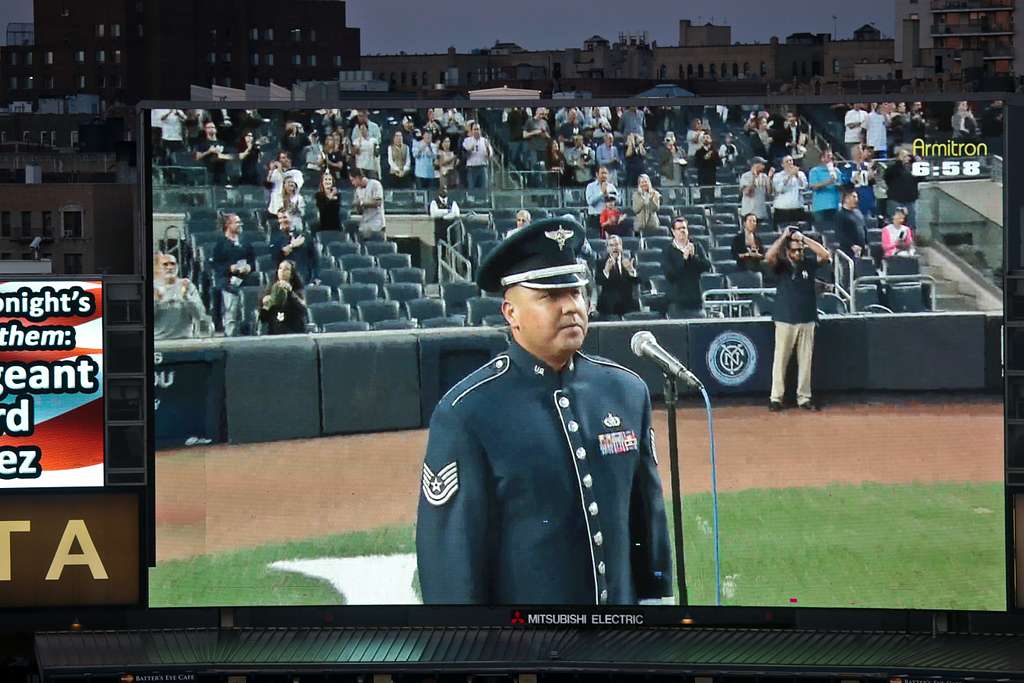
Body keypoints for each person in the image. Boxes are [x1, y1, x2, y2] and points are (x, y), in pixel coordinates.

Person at [416, 216, 673, 605]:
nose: (571, 306)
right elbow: (451, 565)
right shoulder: (467, 412)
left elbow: (648, 524)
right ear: (510, 313)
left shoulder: (625, 392)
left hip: (620, 649)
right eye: (550, 297)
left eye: (576, 292)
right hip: (527, 653)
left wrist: (656, 619)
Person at [765, 226, 831, 412]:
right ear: (788, 251)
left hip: (807, 318)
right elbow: (768, 257)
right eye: (794, 250)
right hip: (785, 318)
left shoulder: (808, 263)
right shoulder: (782, 266)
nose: (798, 253)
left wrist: (805, 240)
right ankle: (776, 397)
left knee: (805, 361)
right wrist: (783, 236)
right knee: (781, 360)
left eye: (800, 250)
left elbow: (825, 255)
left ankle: (804, 398)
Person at [210, 213, 255, 337]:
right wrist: (230, 268)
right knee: (231, 313)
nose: (240, 224)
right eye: (237, 222)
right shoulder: (220, 243)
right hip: (228, 282)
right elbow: (215, 265)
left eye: (240, 222)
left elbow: (252, 260)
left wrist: (249, 267)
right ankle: (230, 337)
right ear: (228, 225)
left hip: (246, 281)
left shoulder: (245, 241)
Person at [660, 217, 711, 319]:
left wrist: (694, 257)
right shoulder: (668, 250)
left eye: (684, 228)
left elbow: (706, 266)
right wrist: (684, 259)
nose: (682, 231)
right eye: (679, 229)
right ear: (673, 232)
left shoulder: (696, 246)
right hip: (677, 302)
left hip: (695, 300)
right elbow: (670, 275)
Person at [153, 252, 209, 340]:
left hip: (184, 339)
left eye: (172, 264)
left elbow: (199, 315)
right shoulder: (153, 287)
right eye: (165, 264)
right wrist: (155, 301)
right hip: (158, 339)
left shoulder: (187, 285)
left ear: (177, 267)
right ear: (158, 268)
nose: (170, 267)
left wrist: (186, 297)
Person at [595, 234, 640, 317]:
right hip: (609, 303)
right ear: (607, 248)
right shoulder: (601, 262)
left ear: (621, 246)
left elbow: (637, 282)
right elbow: (598, 281)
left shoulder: (629, 261)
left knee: (635, 304)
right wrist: (606, 270)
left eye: (617, 245)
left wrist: (631, 271)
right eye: (611, 245)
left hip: (627, 302)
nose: (614, 248)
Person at [259, 259, 308, 335]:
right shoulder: (270, 290)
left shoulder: (297, 291)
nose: (282, 271)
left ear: (292, 274)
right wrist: (265, 305)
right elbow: (263, 319)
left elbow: (303, 310)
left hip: (294, 332)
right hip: (274, 332)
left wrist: (290, 293)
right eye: (280, 268)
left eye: (286, 269)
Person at [270, 210, 318, 284]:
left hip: (304, 277)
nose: (282, 220)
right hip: (284, 278)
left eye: (284, 217)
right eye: (279, 218)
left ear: (292, 218)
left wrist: (315, 278)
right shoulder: (275, 237)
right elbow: (275, 257)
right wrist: (292, 245)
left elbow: (314, 260)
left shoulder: (305, 236)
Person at [884, 147, 921, 229]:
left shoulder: (913, 168)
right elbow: (888, 177)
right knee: (895, 225)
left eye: (907, 156)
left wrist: (918, 164)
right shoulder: (892, 168)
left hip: (910, 201)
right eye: (903, 156)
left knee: (911, 225)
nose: (906, 158)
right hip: (895, 200)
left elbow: (921, 178)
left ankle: (910, 241)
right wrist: (899, 162)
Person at [808, 149, 841, 232]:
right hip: (820, 208)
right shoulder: (815, 171)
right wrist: (828, 182)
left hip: (835, 206)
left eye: (832, 156)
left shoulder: (836, 171)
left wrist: (839, 185)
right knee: (822, 232)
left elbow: (840, 186)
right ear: (822, 158)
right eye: (828, 156)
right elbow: (813, 187)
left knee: (836, 232)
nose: (831, 158)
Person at [349, 168, 385, 241]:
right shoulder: (357, 190)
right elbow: (360, 212)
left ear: (358, 178)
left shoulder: (375, 184)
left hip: (377, 225)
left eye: (353, 180)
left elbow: (378, 202)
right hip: (364, 226)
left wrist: (361, 203)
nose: (352, 183)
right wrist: (357, 206)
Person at [771, 155, 808, 226]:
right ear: (782, 164)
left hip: (797, 207)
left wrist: (797, 176)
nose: (789, 163)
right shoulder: (778, 175)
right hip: (781, 208)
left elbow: (804, 187)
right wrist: (789, 176)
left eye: (791, 160)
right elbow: (779, 189)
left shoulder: (800, 174)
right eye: (787, 161)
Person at [193, 120, 232, 186]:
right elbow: (197, 157)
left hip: (221, 173)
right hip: (208, 173)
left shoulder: (222, 143)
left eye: (213, 127)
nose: (211, 129)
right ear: (205, 130)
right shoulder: (202, 143)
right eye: (209, 127)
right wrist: (209, 151)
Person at [835, 187, 869, 261]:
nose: (856, 199)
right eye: (854, 197)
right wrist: (852, 245)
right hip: (848, 250)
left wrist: (866, 242)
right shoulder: (840, 215)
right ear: (846, 199)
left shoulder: (858, 212)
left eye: (856, 197)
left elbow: (864, 228)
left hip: (861, 250)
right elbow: (839, 234)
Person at [739, 156, 773, 222]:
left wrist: (769, 178)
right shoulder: (745, 176)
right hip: (748, 212)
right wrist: (754, 178)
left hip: (761, 212)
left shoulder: (764, 176)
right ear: (755, 165)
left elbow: (769, 192)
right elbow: (747, 193)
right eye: (762, 164)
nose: (764, 166)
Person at [585, 166, 617, 235]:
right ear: (597, 174)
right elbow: (590, 202)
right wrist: (601, 193)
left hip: (609, 218)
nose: (604, 175)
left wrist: (608, 195)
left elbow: (619, 200)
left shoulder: (611, 186)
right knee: (596, 241)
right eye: (602, 173)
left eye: (606, 173)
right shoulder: (590, 186)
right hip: (595, 219)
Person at [462, 121, 492, 191]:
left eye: (477, 129)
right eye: (474, 129)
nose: (476, 131)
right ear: (471, 131)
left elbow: (489, 156)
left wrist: (487, 148)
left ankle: (483, 201)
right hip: (472, 168)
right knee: (471, 189)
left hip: (482, 167)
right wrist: (470, 150)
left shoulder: (485, 141)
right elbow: (464, 155)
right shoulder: (467, 141)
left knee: (483, 188)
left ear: (480, 130)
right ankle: (471, 201)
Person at [429, 186, 461, 252]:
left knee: (454, 251)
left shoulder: (452, 202)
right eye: (442, 189)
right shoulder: (434, 202)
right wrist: (447, 211)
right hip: (440, 232)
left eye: (445, 189)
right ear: (438, 191)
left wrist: (444, 216)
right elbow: (434, 214)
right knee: (439, 252)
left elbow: (456, 213)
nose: (444, 191)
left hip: (451, 232)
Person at [693, 131, 720, 202]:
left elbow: (719, 163)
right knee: (703, 197)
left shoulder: (714, 151)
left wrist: (713, 157)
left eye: (707, 137)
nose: (705, 139)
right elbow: (696, 164)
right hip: (702, 177)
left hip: (711, 176)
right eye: (704, 138)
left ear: (711, 139)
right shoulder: (698, 152)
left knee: (711, 197)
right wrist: (704, 158)